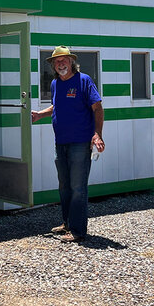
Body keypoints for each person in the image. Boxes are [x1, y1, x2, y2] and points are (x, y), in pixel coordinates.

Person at [31, 46, 104, 243]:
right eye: (57, 61)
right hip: (60, 142)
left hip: (80, 142)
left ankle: (78, 231)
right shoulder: (55, 83)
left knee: (78, 187)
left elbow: (97, 108)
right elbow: (57, 106)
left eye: (64, 60)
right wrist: (40, 114)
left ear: (71, 62)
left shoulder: (84, 81)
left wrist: (97, 134)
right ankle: (67, 223)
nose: (60, 63)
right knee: (64, 186)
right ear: (53, 65)